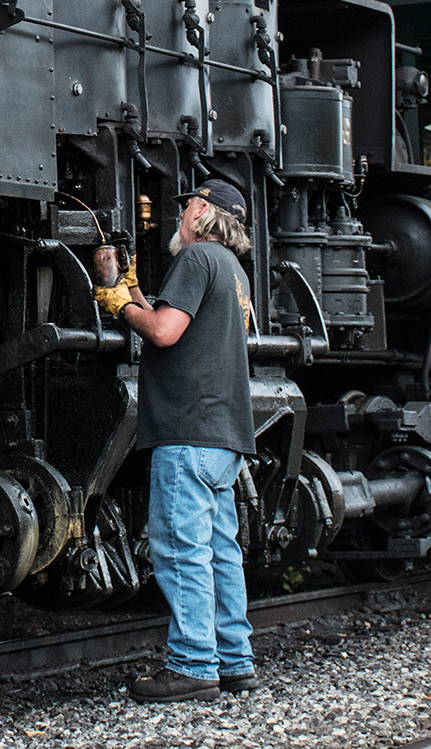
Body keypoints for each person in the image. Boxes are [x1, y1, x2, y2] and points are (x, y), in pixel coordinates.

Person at [100, 179, 258, 704]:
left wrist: (117, 303)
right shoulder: (232, 270)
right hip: (222, 435)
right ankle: (234, 660)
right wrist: (134, 289)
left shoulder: (196, 259)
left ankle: (192, 665)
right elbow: (179, 322)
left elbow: (164, 332)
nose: (179, 214)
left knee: (180, 551)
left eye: (187, 205)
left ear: (205, 213)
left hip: (187, 432)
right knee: (220, 551)